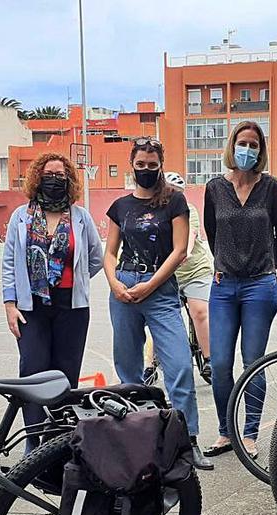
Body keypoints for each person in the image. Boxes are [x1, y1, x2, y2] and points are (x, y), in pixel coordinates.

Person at [104, 138, 210, 469]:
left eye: (152, 165)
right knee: (129, 370)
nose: (146, 170)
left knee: (179, 367)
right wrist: (115, 283)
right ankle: (134, 440)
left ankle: (188, 441)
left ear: (160, 164)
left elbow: (180, 250)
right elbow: (109, 252)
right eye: (141, 165)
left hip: (160, 290)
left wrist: (151, 284)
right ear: (131, 164)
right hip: (123, 289)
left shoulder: (174, 202)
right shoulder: (120, 206)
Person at [2, 153, 104, 449]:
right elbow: (10, 262)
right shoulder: (21, 216)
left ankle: (57, 443)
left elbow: (95, 258)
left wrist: (75, 280)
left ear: (69, 181)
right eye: (49, 174)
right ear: (37, 178)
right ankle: (33, 444)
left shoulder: (80, 216)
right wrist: (10, 303)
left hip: (71, 306)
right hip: (30, 306)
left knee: (65, 375)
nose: (55, 180)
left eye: (61, 176)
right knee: (33, 371)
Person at [202, 121, 277, 459]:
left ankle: (250, 433)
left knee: (252, 361)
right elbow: (212, 232)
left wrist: (268, 265)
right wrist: (225, 261)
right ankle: (227, 432)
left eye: (254, 145)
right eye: (243, 143)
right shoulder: (214, 188)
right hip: (224, 286)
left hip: (260, 286)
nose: (248, 150)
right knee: (221, 362)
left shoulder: (271, 187)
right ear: (232, 145)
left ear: (261, 150)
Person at [164, 170, 215, 376]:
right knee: (160, 314)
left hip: (195, 270)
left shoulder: (188, 210)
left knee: (199, 312)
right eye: (167, 190)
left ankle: (209, 358)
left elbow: (189, 239)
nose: (170, 194)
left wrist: (181, 253)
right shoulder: (155, 211)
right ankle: (150, 363)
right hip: (169, 274)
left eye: (175, 191)